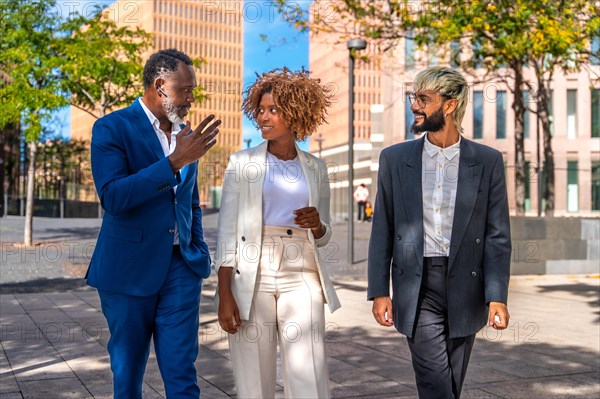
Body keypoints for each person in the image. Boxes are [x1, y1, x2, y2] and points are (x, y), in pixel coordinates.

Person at [367, 66, 511, 399]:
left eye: (423, 99)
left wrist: (497, 296)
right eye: (412, 97)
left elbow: (497, 235)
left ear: (449, 105)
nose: (414, 105)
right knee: (435, 381)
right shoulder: (394, 159)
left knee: (450, 382)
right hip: (417, 285)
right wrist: (379, 289)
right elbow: (383, 227)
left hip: (467, 285)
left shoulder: (487, 161)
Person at [86, 49, 221, 398]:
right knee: (128, 375)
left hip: (181, 268)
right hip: (128, 270)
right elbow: (113, 197)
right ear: (160, 86)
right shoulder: (112, 127)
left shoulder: (186, 134)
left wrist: (198, 251)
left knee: (181, 372)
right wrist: (174, 161)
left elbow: (189, 201)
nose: (191, 98)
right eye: (185, 90)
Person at [215, 67, 340, 399]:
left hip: (302, 270)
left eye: (273, 109)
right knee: (253, 376)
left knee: (308, 368)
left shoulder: (316, 167)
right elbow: (227, 230)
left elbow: (324, 235)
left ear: (296, 113)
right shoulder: (242, 163)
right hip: (252, 269)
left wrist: (318, 224)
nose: (263, 116)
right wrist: (224, 293)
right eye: (261, 109)